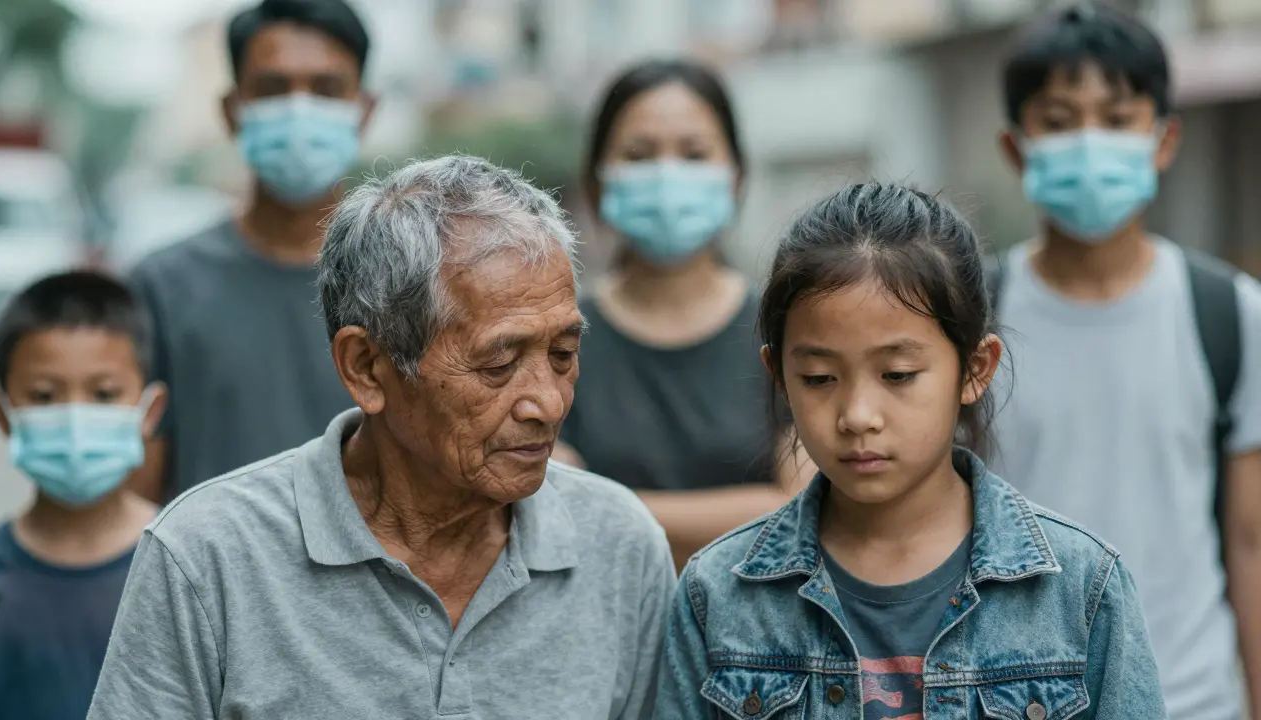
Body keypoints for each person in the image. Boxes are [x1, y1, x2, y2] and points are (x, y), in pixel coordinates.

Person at [86, 155, 677, 720]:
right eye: (498, 364)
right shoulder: (207, 556)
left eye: (564, 353)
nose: (547, 402)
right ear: (367, 367)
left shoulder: (620, 549)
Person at [654, 183, 1165, 719]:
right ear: (779, 377)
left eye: (897, 375)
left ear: (975, 369)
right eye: (819, 377)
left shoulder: (1080, 589)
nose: (857, 415)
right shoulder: (718, 595)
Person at [986, 5, 1261, 718]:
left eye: (1116, 118)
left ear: (1164, 139)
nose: (1088, 141)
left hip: (1194, 701)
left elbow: (1252, 539)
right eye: (1058, 118)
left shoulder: (1230, 313)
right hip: (1016, 698)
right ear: (1016, 148)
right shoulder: (970, 319)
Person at [554, 58, 813, 568]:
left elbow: (803, 509)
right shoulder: (555, 337)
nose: (668, 174)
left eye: (694, 154)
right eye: (639, 154)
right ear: (598, 182)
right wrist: (750, 510)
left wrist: (611, 506)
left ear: (736, 178)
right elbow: (551, 506)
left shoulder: (790, 327)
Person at [129, 0, 376, 502]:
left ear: (364, 110)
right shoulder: (163, 287)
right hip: (210, 579)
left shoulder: (412, 282)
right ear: (231, 110)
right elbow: (137, 499)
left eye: (326, 89)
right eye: (272, 88)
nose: (299, 110)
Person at [0, 272, 167, 720]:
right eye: (44, 395)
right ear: (2, 414)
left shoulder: (190, 565)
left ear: (149, 410)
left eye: (104, 393)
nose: (75, 419)